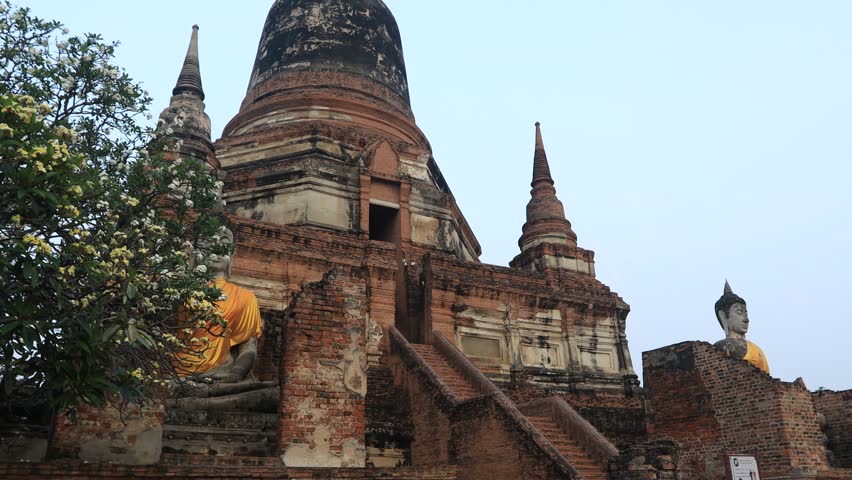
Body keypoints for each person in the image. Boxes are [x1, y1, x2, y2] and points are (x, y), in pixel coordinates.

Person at [175, 227, 263, 382]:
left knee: (266, 395)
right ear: (197, 251)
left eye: (223, 245)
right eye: (208, 244)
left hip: (222, 374)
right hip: (179, 372)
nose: (216, 251)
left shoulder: (245, 297)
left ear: (231, 253)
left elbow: (248, 348)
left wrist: (236, 373)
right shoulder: (179, 291)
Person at [714, 281, 770, 374]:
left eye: (746, 313)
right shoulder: (720, 347)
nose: (746, 319)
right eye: (739, 312)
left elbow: (767, 379)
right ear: (723, 316)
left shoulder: (757, 350)